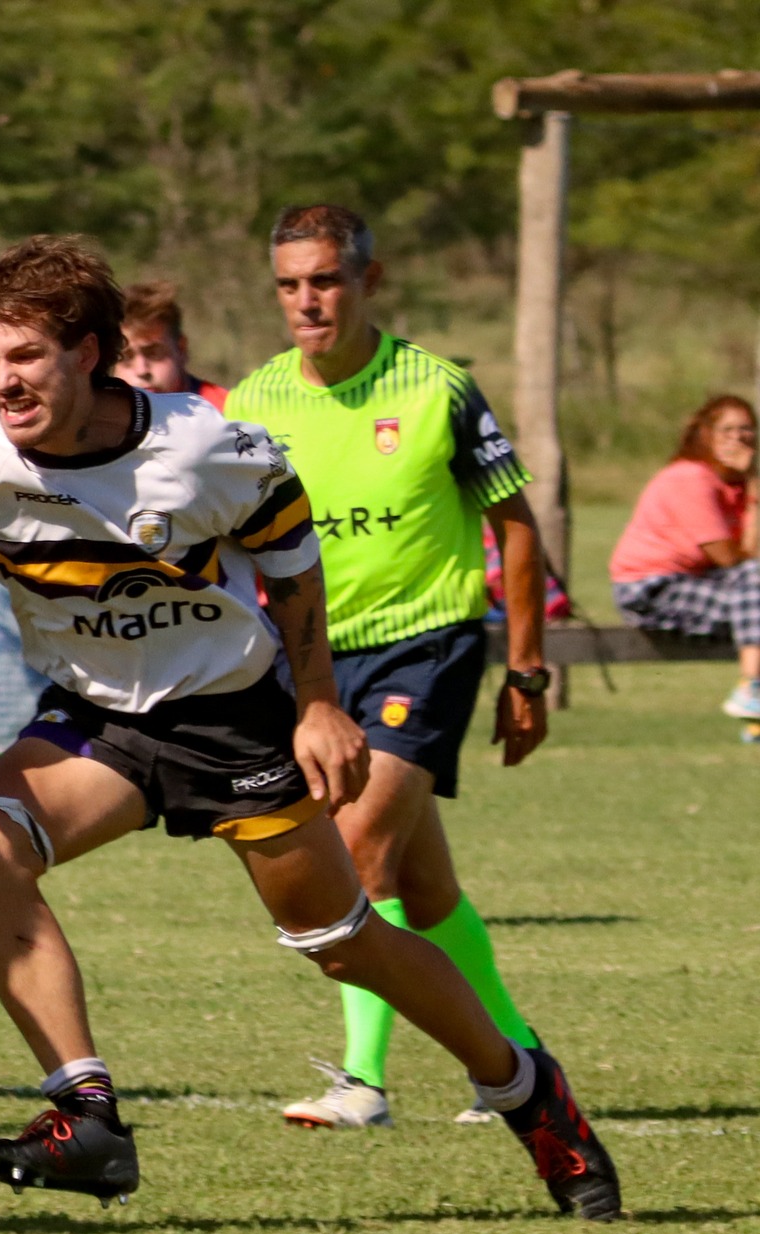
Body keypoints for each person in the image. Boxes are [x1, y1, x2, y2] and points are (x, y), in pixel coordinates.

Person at [0, 234, 619, 1220]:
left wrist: (313, 706)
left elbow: (294, 566)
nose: (2, 381)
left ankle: (526, 1091)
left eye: (25, 358)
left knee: (342, 942)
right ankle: (83, 1114)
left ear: (88, 353)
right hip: (93, 719)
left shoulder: (203, 443)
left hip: (230, 717)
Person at [226, 205, 564, 1131]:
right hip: (319, 665)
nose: (308, 301)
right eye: (291, 285)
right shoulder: (254, 403)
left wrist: (527, 674)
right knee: (424, 888)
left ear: (370, 281)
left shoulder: (438, 389)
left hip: (431, 642)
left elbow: (516, 525)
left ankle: (362, 1081)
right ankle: (519, 1060)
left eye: (326, 280)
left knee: (357, 843)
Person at [609, 394, 760, 722]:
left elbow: (750, 552)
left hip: (695, 583)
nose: (739, 438)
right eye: (728, 430)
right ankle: (751, 688)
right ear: (706, 435)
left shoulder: (734, 487)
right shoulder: (689, 478)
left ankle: (754, 722)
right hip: (650, 589)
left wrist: (752, 485)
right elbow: (730, 559)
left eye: (747, 429)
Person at [113, 280, 228, 408]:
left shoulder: (224, 414)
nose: (142, 370)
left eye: (153, 353)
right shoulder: (100, 419)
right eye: (126, 357)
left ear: (181, 349)